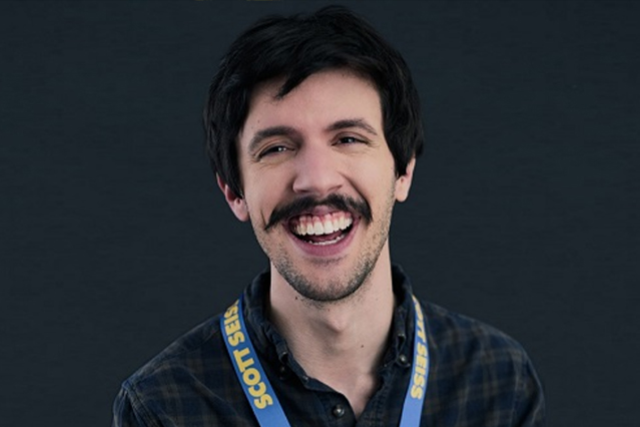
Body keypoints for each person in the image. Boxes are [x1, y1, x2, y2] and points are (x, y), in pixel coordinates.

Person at [112, 6, 545, 427]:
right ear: (234, 192)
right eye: (277, 148)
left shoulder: (498, 380)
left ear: (403, 171)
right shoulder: (163, 408)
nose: (317, 181)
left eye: (348, 139)